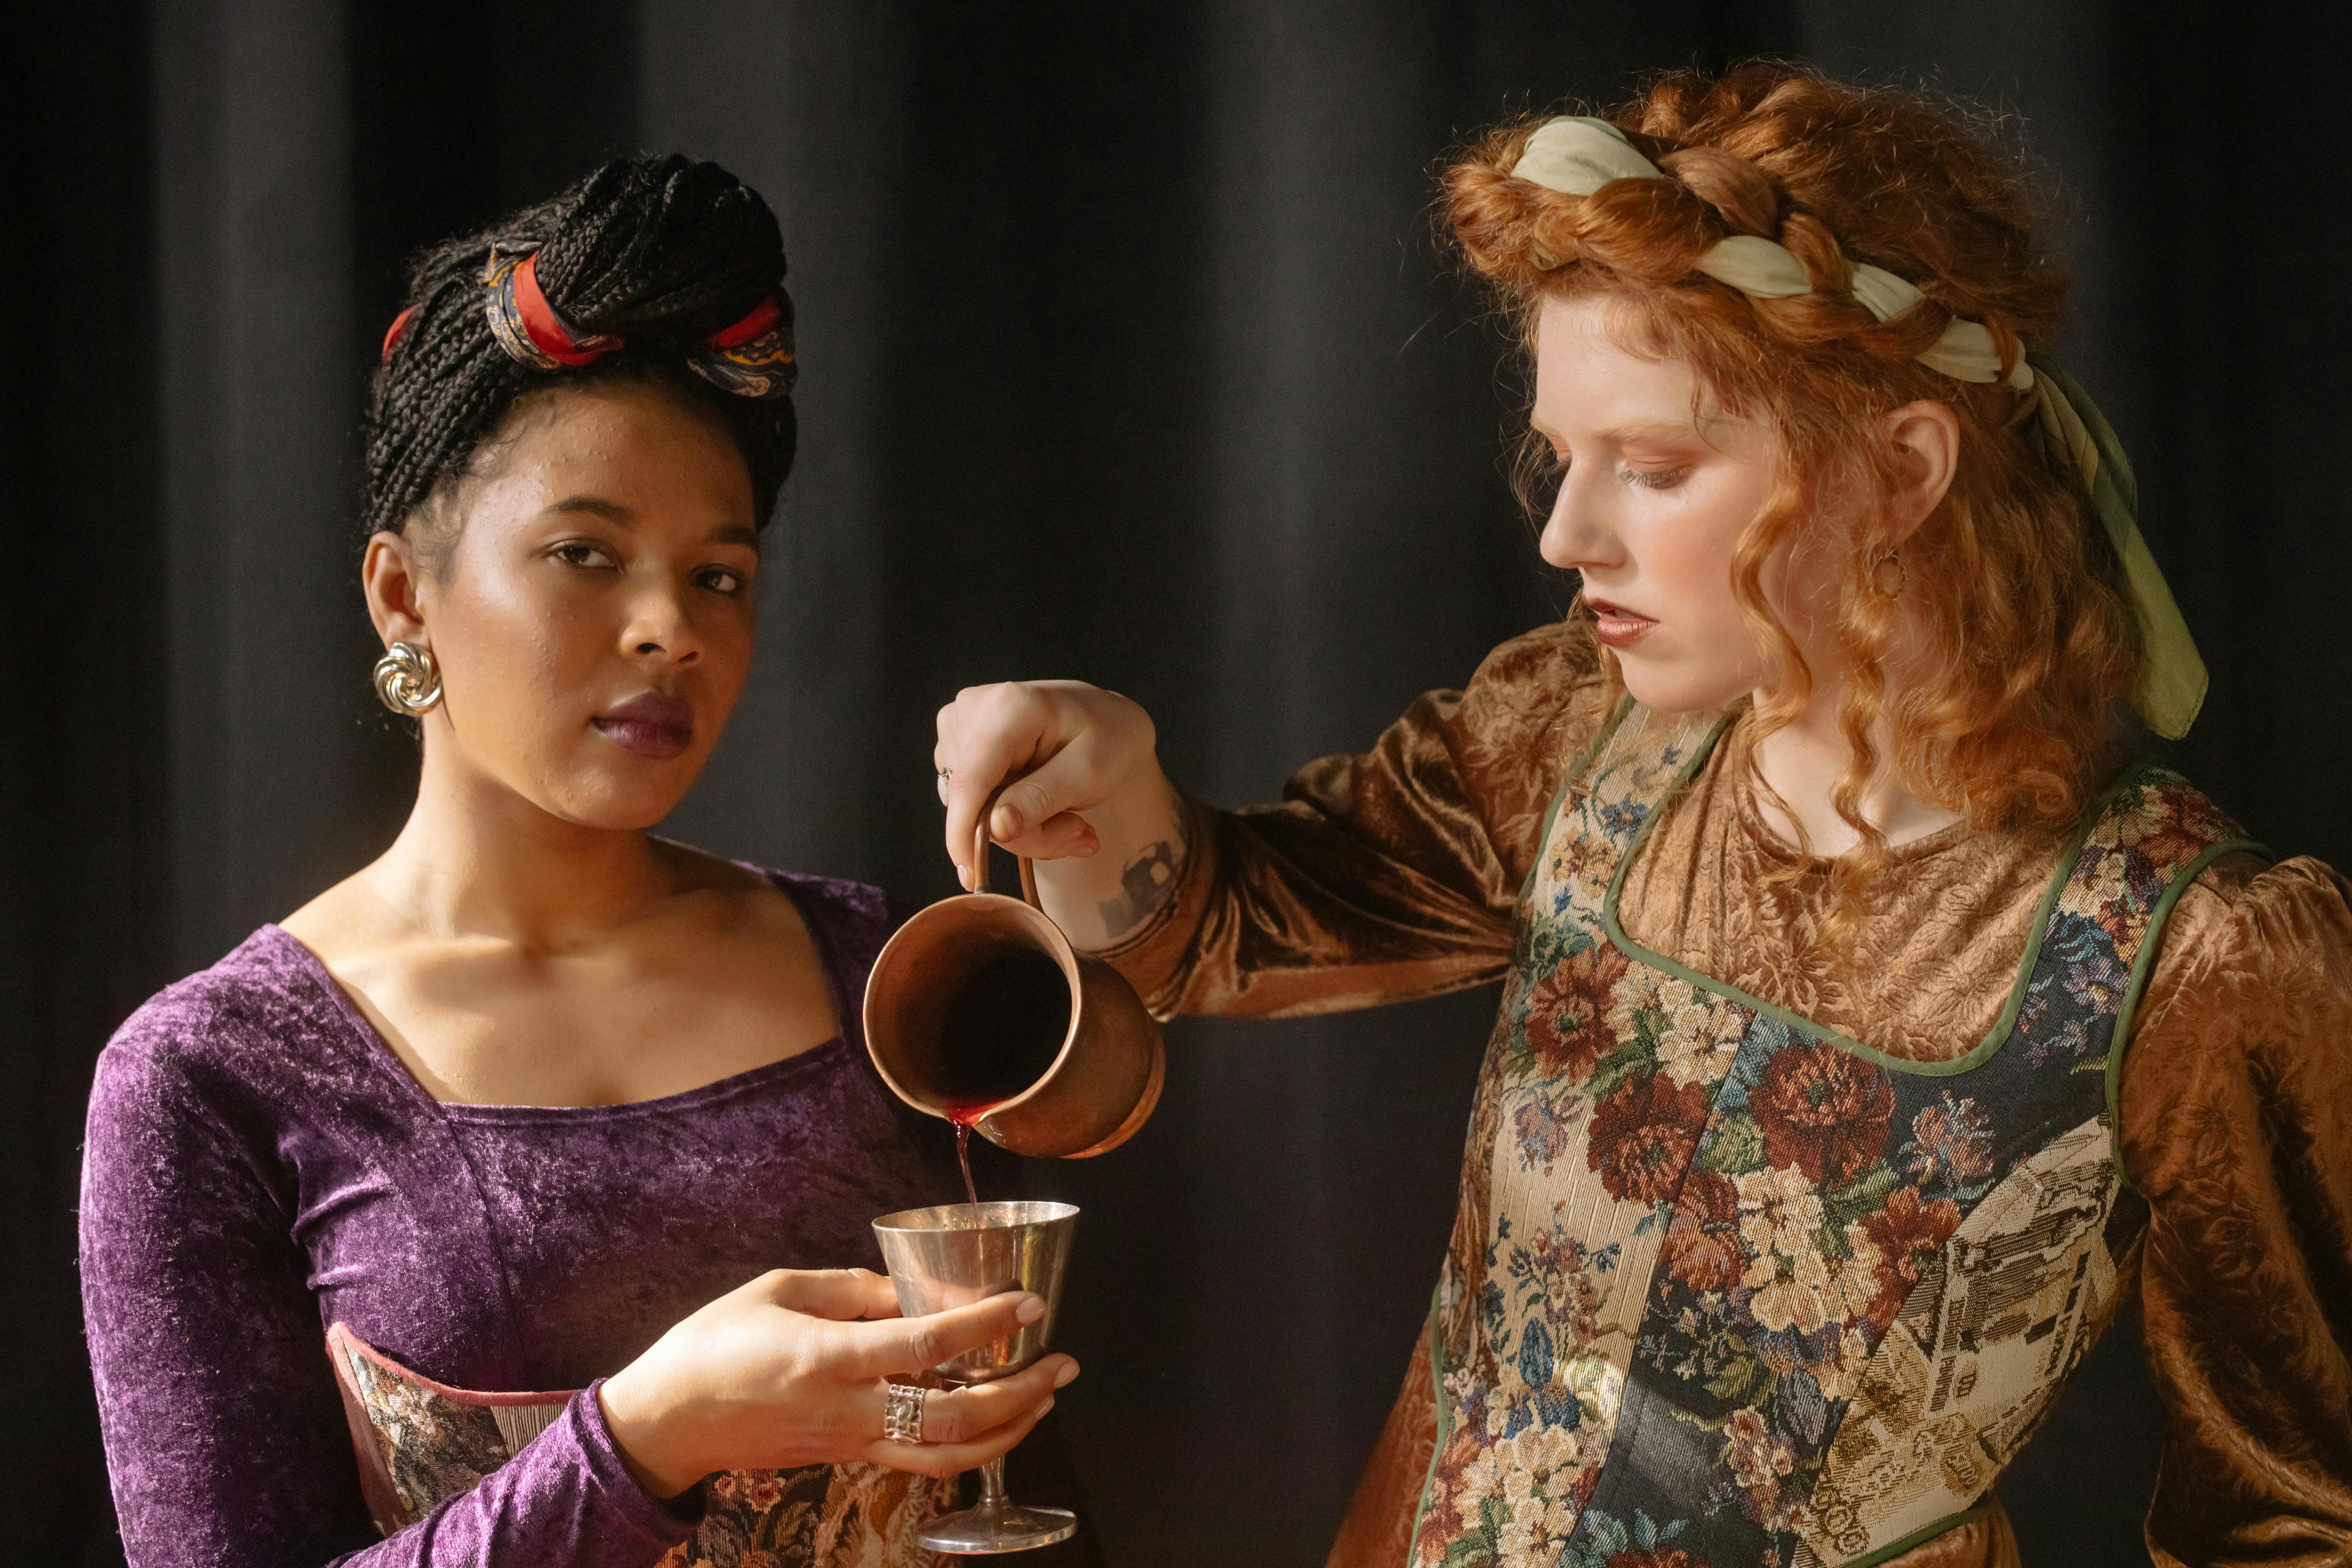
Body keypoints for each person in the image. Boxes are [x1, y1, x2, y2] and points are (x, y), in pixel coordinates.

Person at [934, 65, 2352, 1568]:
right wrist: (1104, 786)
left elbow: (2297, 1520)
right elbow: (1227, 922)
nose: (1565, 533)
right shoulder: (1580, 733)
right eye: (1564, 457)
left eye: (1656, 468)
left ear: (1901, 469)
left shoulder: (2198, 955)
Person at [80, 156, 1087, 1568]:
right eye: (583, 555)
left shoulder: (875, 967)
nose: (669, 626)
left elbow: (1019, 1500)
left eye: (718, 575)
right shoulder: (214, 1076)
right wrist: (646, 1436)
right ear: (400, 593)